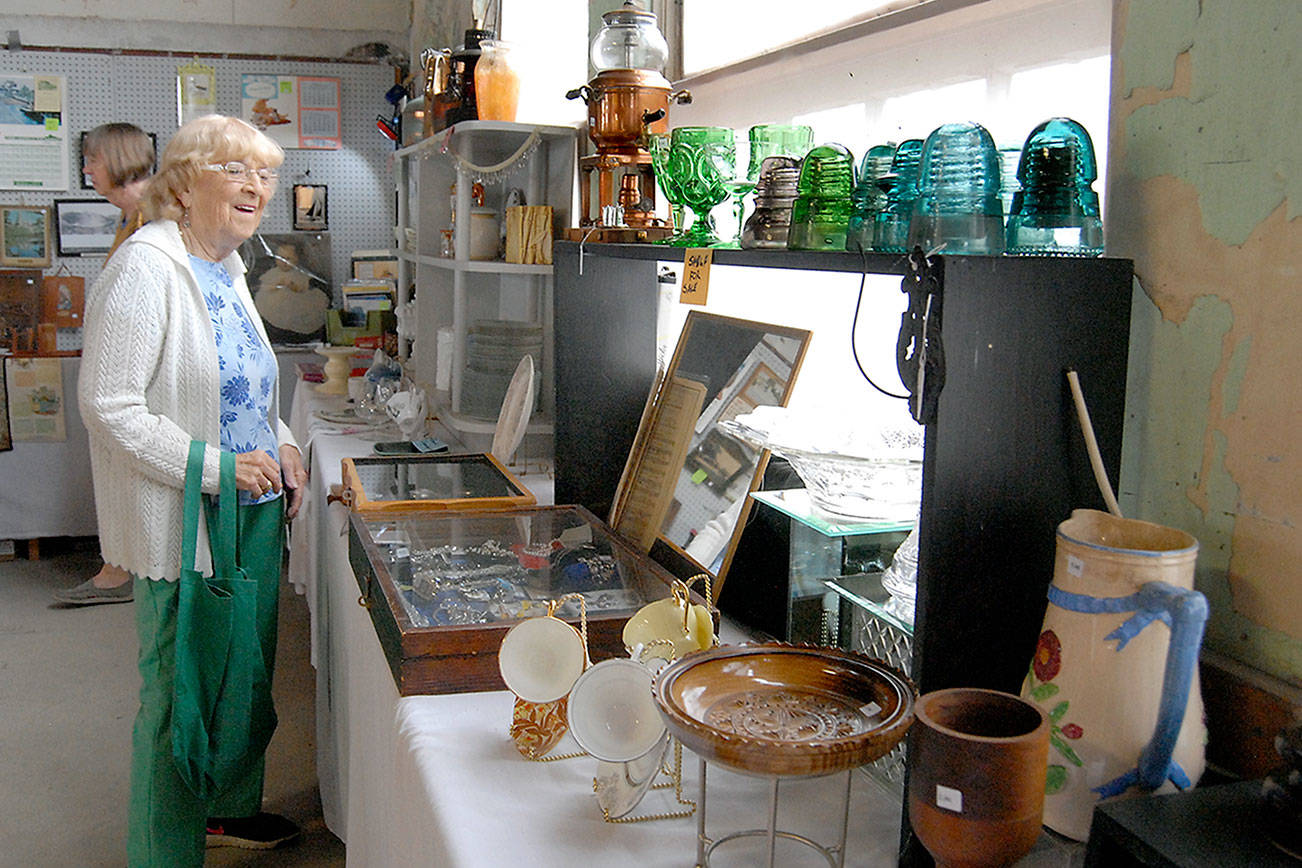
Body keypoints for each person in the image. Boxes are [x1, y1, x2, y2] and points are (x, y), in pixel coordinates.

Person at [78, 114, 308, 864]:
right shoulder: (145, 268)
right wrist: (216, 466)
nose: (255, 187)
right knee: (180, 700)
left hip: (251, 512)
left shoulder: (227, 267)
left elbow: (242, 387)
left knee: (242, 682)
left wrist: (281, 440)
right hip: (185, 520)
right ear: (182, 186)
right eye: (234, 170)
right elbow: (110, 406)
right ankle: (163, 853)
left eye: (264, 174)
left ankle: (226, 811)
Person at [53, 122, 155, 606]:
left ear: (116, 159)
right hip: (126, 373)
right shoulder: (131, 216)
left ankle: (126, 571)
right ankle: (119, 566)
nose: (87, 168)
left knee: (133, 476)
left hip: (141, 379)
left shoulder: (152, 216)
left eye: (93, 159)